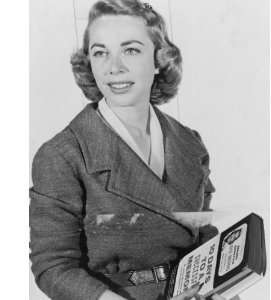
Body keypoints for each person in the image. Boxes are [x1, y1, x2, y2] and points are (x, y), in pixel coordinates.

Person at [29, 1, 223, 299]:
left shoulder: (190, 142)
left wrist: (214, 286)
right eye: (100, 52)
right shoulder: (62, 154)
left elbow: (202, 235)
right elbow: (53, 267)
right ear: (89, 63)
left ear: (159, 60)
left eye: (130, 50)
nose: (114, 68)